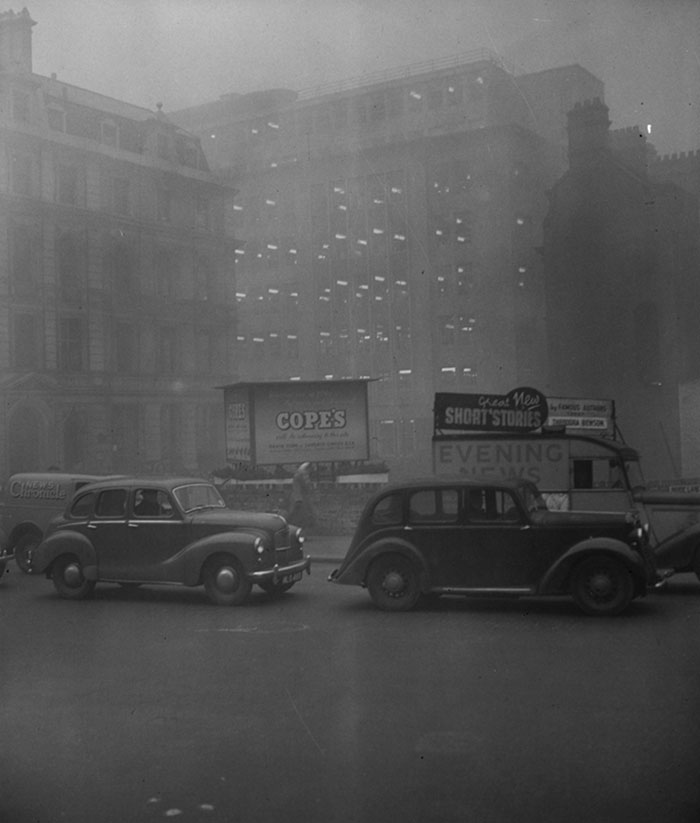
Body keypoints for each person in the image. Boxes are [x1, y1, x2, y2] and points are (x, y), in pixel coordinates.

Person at [288, 462, 316, 528]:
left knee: (297, 514)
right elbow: (304, 487)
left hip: (298, 498)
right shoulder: (302, 475)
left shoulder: (299, 475)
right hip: (301, 498)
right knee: (303, 514)